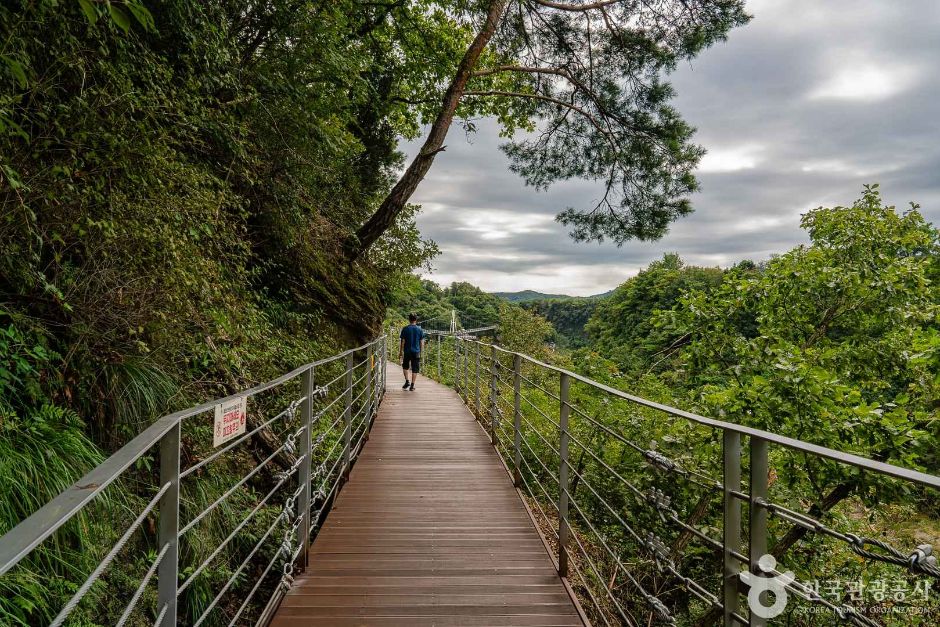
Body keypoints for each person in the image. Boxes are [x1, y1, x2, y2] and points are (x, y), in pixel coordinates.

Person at [399, 313, 426, 391]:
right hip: (416, 351)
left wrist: (401, 352)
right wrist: (420, 351)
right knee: (415, 368)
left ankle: (407, 381)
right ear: (416, 319)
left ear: (409, 319)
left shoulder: (405, 329)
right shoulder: (420, 329)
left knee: (405, 366)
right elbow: (421, 342)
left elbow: (403, 341)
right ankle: (412, 385)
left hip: (407, 351)